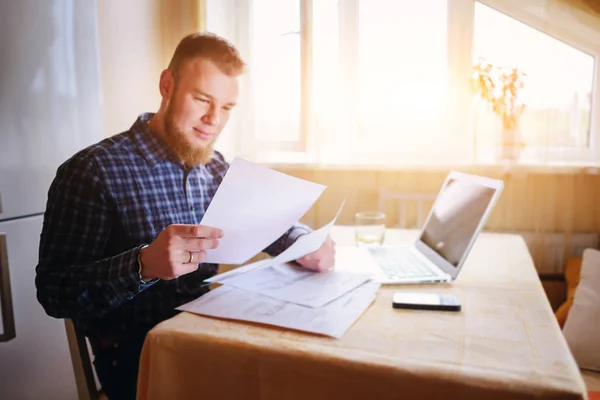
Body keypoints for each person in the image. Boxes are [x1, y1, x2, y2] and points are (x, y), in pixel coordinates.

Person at [35, 32, 335, 400]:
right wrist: (143, 264)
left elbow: (269, 225)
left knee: (312, 369)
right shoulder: (91, 172)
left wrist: (305, 242)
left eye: (227, 107)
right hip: (139, 357)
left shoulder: (215, 167)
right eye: (202, 99)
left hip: (208, 335)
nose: (214, 120)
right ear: (167, 85)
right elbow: (53, 293)